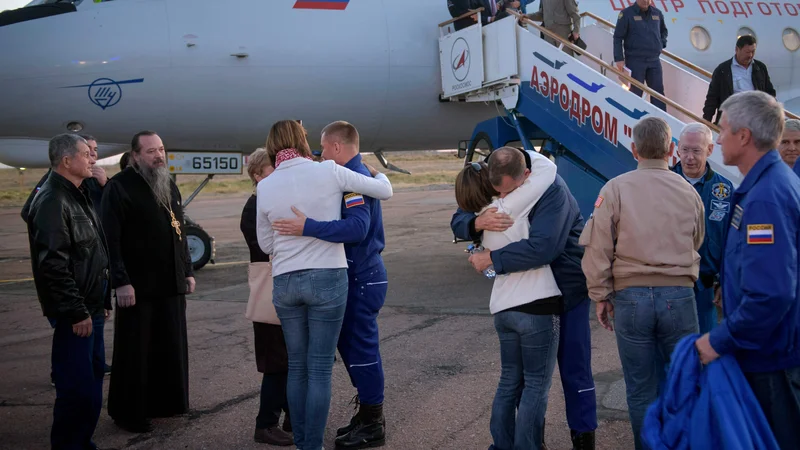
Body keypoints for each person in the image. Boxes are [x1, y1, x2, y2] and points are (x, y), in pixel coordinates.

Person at [255, 120, 394, 450]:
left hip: (352, 277)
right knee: (321, 367)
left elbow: (358, 228)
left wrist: (306, 227)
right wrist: (381, 177)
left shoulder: (274, 184)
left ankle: (371, 421)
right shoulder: (335, 174)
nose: (319, 150)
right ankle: (339, 430)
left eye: (324, 145)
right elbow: (385, 191)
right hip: (332, 278)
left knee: (347, 356)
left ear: (335, 147)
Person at [451, 149, 598, 450]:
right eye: (497, 190)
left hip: (565, 290)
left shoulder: (552, 191)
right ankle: (531, 442)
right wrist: (476, 223)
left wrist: (490, 257)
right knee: (525, 381)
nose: (502, 197)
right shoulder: (498, 170)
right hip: (531, 298)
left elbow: (543, 247)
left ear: (525, 176)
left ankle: (583, 438)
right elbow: (461, 212)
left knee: (573, 370)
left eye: (506, 190)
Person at [580, 116, 704, 450]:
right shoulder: (688, 191)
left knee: (639, 389)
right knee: (685, 384)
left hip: (631, 298)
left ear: (634, 149)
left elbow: (598, 248)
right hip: (679, 296)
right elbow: (697, 239)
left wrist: (601, 295)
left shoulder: (615, 188)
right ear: (672, 150)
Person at [694, 91, 800, 450]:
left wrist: (719, 340)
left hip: (772, 358)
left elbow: (773, 293)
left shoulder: (766, 196)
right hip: (768, 349)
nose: (719, 137)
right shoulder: (766, 185)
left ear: (744, 136)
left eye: (723, 129)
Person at [102, 130, 196, 433]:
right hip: (137, 287)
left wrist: (188, 270)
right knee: (135, 351)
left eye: (161, 149)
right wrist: (121, 282)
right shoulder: (119, 187)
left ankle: (165, 404)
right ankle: (128, 412)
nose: (159, 156)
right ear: (135, 156)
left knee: (169, 345)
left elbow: (178, 229)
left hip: (170, 282)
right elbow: (111, 240)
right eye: (151, 151)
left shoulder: (168, 183)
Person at [26, 133, 111, 450]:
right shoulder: (52, 200)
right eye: (85, 154)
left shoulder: (78, 194)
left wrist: (100, 301)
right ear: (66, 160)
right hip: (76, 314)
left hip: (90, 308)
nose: (92, 159)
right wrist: (76, 311)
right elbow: (53, 266)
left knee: (89, 388)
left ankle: (82, 443)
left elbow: (92, 252)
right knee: (76, 391)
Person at [240, 148, 293, 446]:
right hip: (271, 291)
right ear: (257, 175)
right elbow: (268, 247)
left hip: (282, 288)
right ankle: (266, 424)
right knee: (277, 361)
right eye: (272, 169)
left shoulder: (268, 202)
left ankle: (291, 417)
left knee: (288, 359)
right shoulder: (255, 207)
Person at [672, 123, 733, 333]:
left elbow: (730, 241)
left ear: (709, 150)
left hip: (706, 287)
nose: (689, 157)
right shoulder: (664, 183)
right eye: (685, 149)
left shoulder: (724, 190)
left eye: (696, 150)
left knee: (704, 352)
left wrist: (725, 282)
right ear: (677, 149)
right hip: (668, 285)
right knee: (671, 354)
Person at [702, 35, 776, 125]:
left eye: (753, 51)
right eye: (747, 52)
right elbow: (712, 98)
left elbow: (770, 93)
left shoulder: (760, 68)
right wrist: (706, 121)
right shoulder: (722, 70)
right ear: (737, 49)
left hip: (755, 120)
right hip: (731, 119)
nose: (750, 55)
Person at [613, 0, 668, 111]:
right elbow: (618, 37)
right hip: (635, 61)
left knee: (658, 94)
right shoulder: (626, 14)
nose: (645, 1)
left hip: (654, 61)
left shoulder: (657, 13)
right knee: (635, 93)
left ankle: (661, 122)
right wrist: (619, 59)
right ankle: (632, 120)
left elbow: (664, 31)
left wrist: (661, 44)